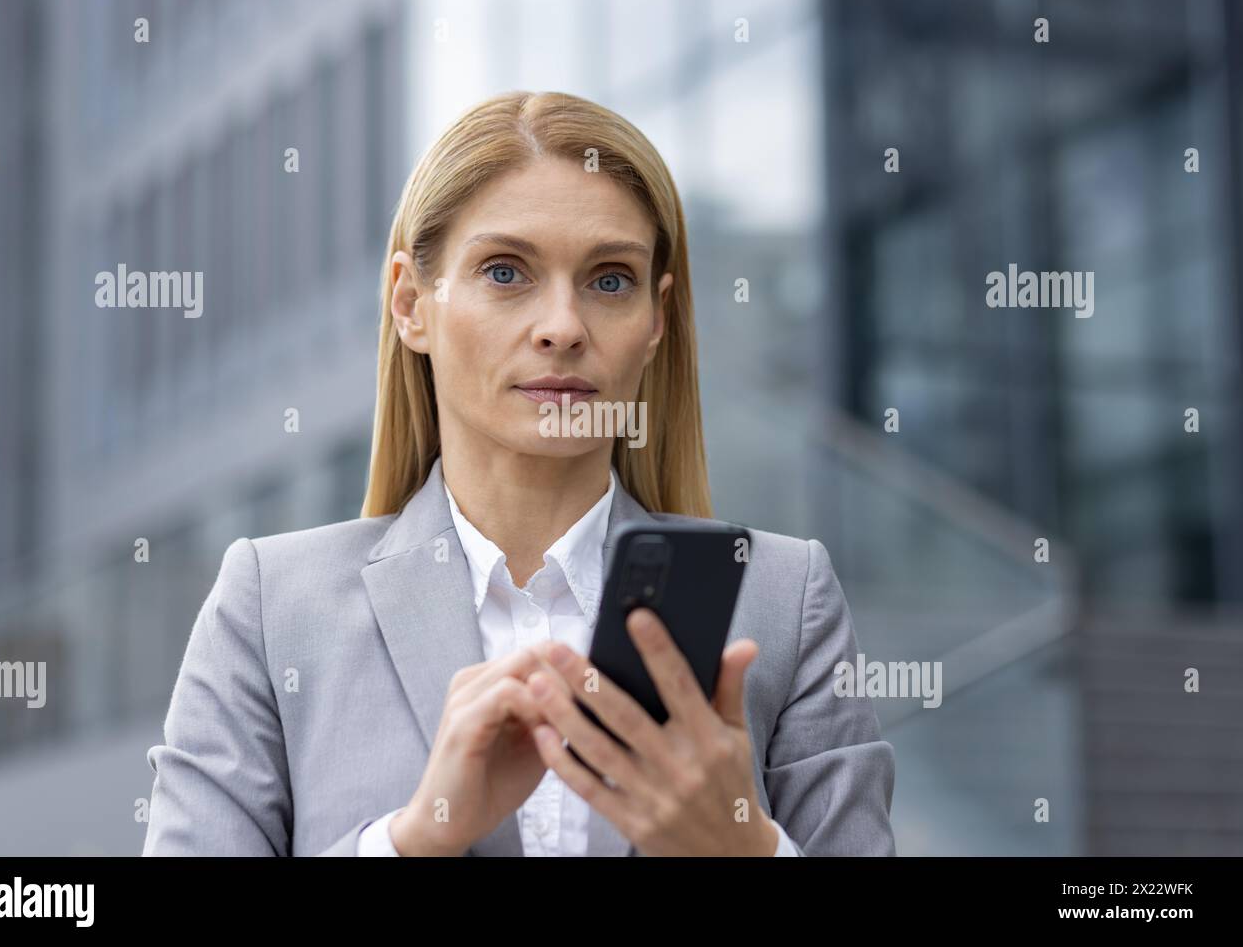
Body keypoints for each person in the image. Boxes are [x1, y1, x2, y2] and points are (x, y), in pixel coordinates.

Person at [142, 90, 896, 857]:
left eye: (610, 280)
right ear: (412, 303)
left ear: (657, 317)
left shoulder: (780, 597)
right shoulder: (273, 607)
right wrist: (409, 841)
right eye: (506, 271)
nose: (563, 327)